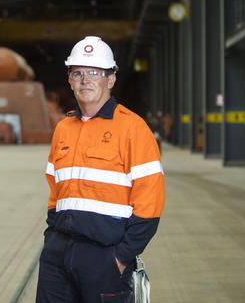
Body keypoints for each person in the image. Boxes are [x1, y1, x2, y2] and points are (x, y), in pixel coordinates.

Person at [36, 36, 165, 303]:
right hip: (57, 256)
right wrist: (51, 241)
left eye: (94, 72)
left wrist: (120, 258)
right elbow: (54, 192)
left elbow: (150, 206)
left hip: (104, 258)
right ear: (70, 80)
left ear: (110, 79)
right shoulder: (63, 128)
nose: (85, 80)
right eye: (78, 73)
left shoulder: (133, 128)